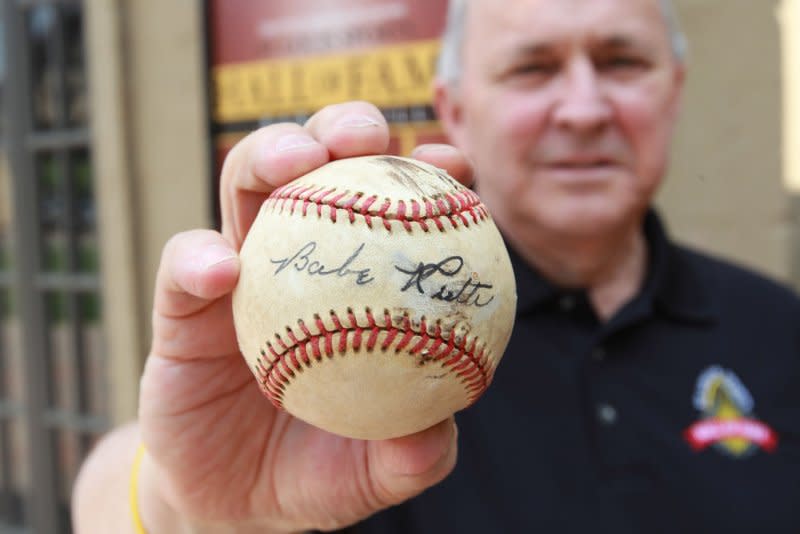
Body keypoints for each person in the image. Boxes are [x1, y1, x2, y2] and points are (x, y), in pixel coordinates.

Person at [73, 0, 800, 532]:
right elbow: (101, 494)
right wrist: (180, 502)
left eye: (621, 62)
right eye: (532, 67)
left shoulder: (778, 326)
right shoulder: (328, 384)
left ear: (673, 89)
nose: (583, 108)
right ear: (453, 107)